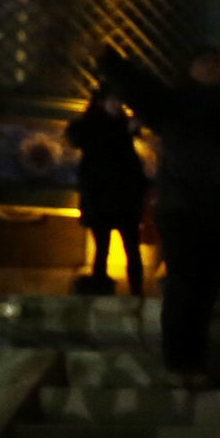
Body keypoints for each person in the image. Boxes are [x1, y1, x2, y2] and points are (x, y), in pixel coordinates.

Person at [107, 43, 220, 390]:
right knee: (184, 288)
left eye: (216, 62)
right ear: (190, 68)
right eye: (204, 61)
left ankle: (193, 361)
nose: (212, 67)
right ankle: (180, 363)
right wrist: (114, 65)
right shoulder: (174, 107)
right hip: (183, 212)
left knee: (205, 291)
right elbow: (141, 89)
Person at [63, 82, 149, 297]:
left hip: (122, 197)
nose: (117, 105)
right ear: (102, 102)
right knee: (103, 249)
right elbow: (100, 148)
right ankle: (102, 290)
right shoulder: (94, 126)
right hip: (102, 195)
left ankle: (136, 292)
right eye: (113, 101)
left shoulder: (121, 125)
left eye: (119, 101)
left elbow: (130, 162)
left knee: (131, 248)